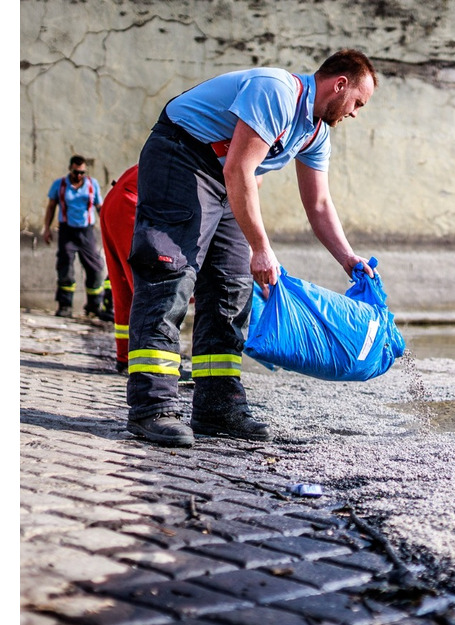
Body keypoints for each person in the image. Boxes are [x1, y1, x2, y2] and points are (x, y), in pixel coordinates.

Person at [125, 49, 378, 447]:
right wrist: (261, 247)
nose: (355, 112)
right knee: (171, 274)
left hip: (225, 178)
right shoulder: (277, 91)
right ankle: (152, 408)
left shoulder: (315, 132)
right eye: (358, 102)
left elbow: (319, 204)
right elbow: (239, 168)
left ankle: (217, 406)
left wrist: (347, 257)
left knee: (231, 286)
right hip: (182, 155)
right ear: (340, 84)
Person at [42, 155, 108, 318]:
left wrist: (108, 227)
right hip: (67, 231)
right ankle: (65, 305)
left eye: (82, 173)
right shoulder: (60, 185)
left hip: (86, 232)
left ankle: (93, 305)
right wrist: (47, 229)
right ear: (70, 169)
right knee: (65, 268)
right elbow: (51, 207)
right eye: (75, 172)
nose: (78, 176)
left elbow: (100, 207)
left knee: (95, 268)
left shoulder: (93, 185)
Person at [99, 165, 138, 372]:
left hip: (115, 201)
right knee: (151, 290)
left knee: (123, 285)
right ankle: (156, 366)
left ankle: (125, 357)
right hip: (130, 203)